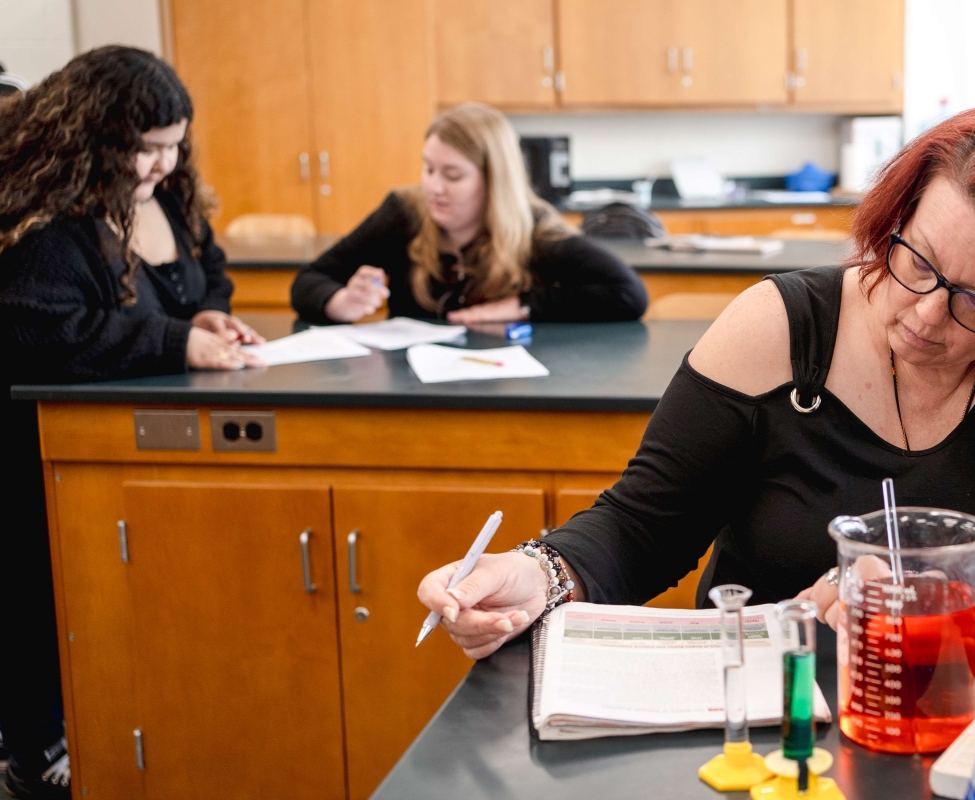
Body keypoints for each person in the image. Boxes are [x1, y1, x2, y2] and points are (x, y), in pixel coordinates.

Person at [417, 99, 975, 661]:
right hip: (766, 711)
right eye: (918, 261)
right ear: (894, 217)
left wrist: (934, 588)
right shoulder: (779, 328)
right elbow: (643, 527)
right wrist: (538, 574)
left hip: (971, 710)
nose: (926, 316)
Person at [0, 46, 264, 799]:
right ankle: (36, 750)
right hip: (41, 447)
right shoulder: (50, 223)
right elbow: (46, 329)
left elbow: (204, 272)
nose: (162, 163)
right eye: (144, 149)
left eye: (173, 143)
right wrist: (180, 340)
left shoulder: (169, 193)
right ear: (92, 138)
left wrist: (208, 311)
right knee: (40, 598)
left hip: (135, 436)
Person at [290, 103, 648, 326]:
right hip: (409, 392)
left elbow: (628, 294)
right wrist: (341, 302)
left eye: (453, 175)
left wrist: (520, 305)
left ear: (494, 183)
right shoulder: (403, 212)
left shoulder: (534, 231)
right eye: (428, 169)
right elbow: (309, 279)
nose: (434, 187)